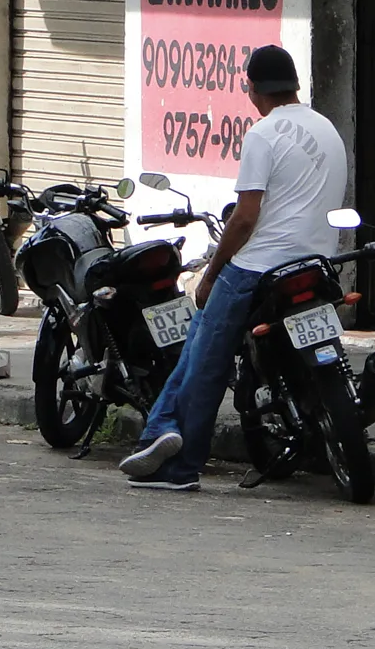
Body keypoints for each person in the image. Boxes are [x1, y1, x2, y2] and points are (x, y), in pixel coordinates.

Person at [121, 45, 348, 491]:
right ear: (295, 85)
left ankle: (179, 463)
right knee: (200, 343)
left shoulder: (262, 135)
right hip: (318, 262)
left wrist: (211, 274)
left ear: (251, 89)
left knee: (206, 354)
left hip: (259, 268)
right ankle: (160, 427)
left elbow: (244, 217)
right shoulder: (327, 128)